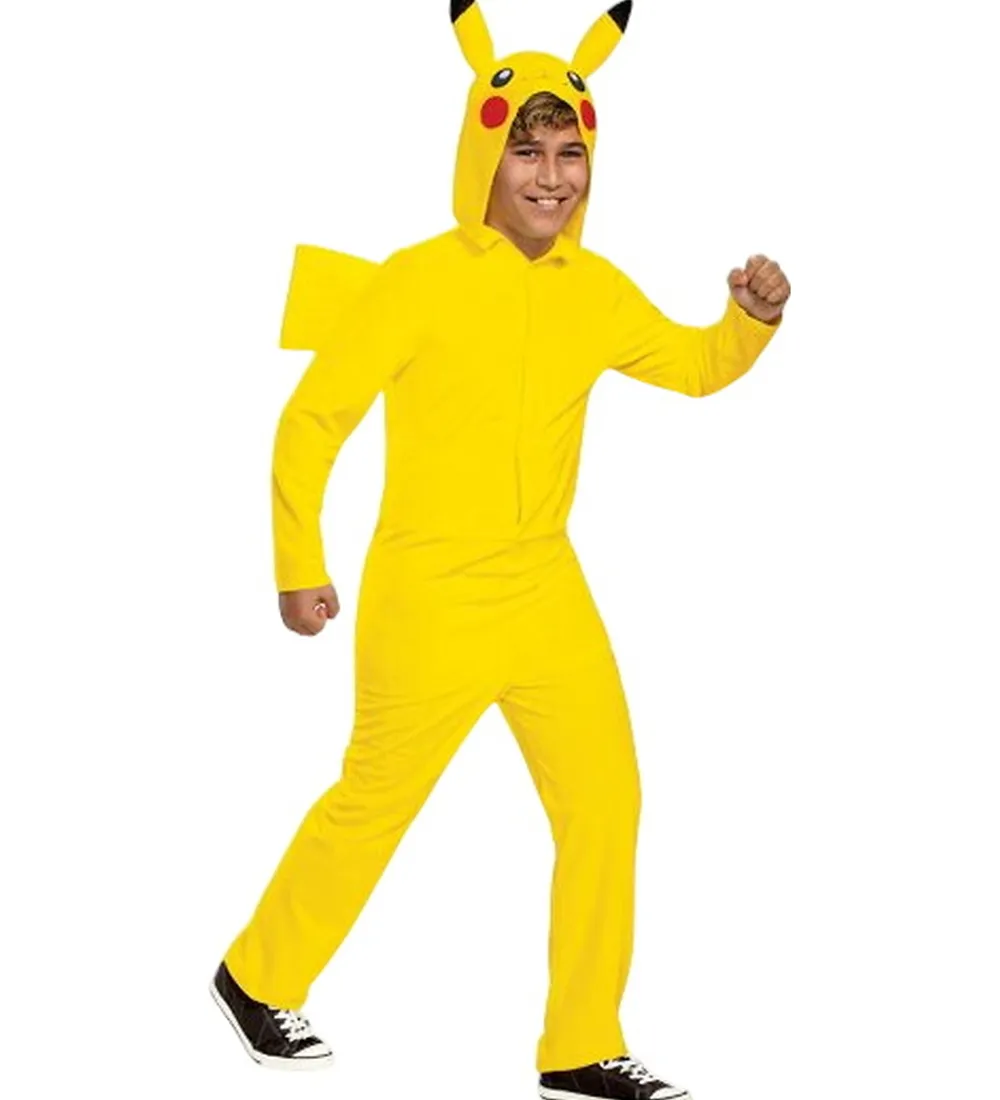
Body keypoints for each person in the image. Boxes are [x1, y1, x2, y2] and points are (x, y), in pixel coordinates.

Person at [209, 3, 790, 1098]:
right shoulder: (416, 278)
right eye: (527, 151)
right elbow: (313, 419)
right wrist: (297, 560)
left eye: (570, 153)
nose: (550, 176)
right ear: (482, 152)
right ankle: (254, 974)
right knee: (375, 801)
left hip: (545, 588)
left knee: (606, 800)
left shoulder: (594, 288)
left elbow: (692, 365)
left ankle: (580, 1040)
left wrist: (746, 322)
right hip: (427, 590)